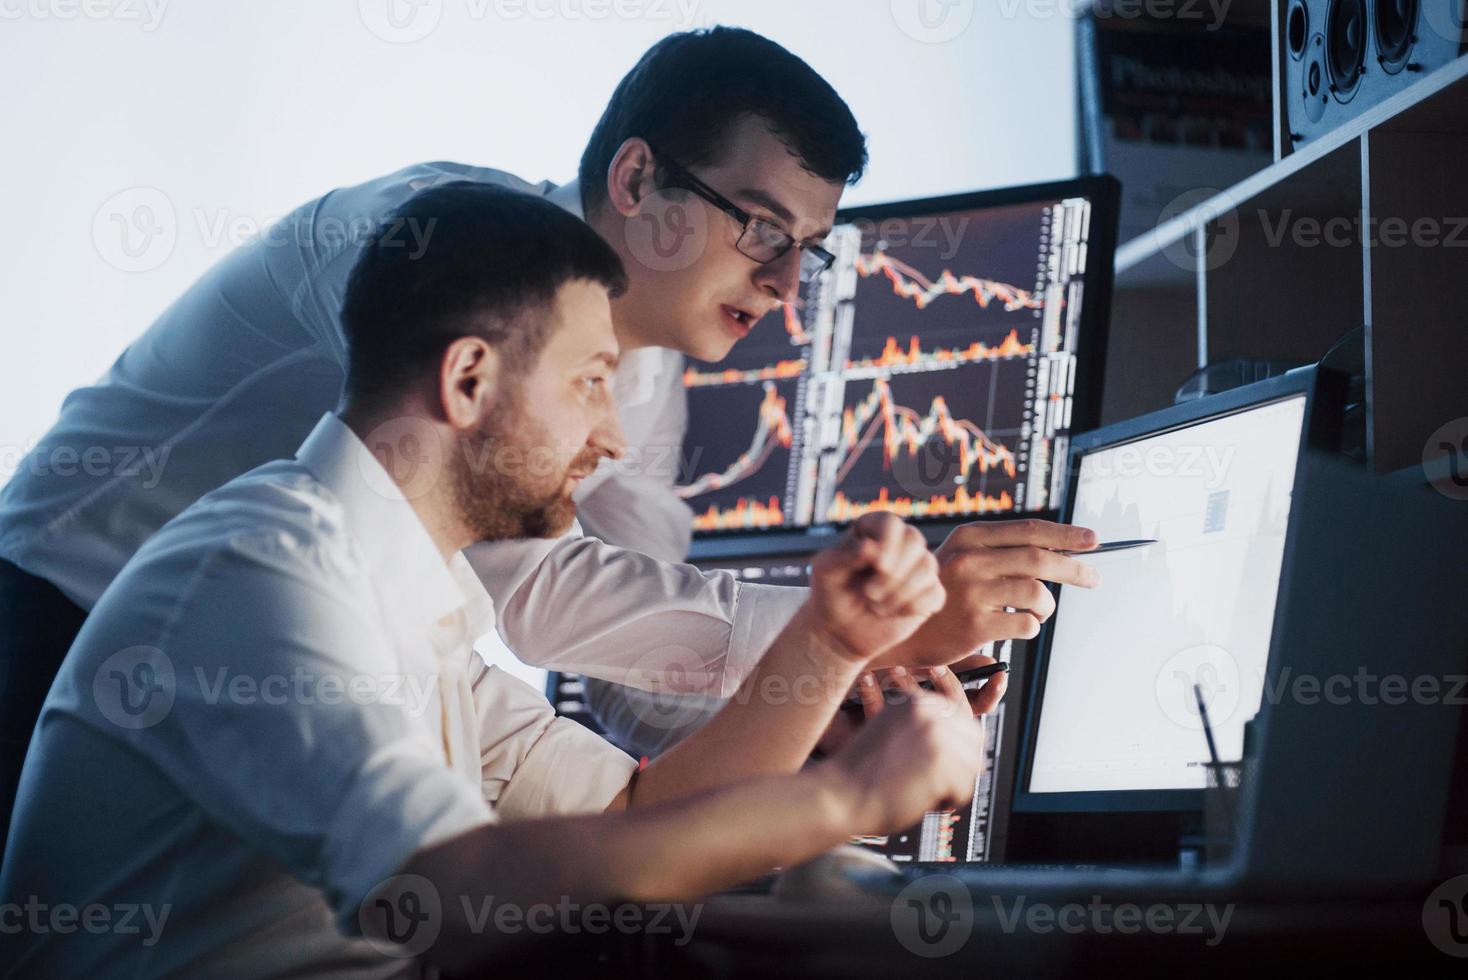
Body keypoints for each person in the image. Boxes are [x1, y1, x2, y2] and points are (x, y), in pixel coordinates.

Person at [0, 27, 1099, 842]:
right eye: (763, 228)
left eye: (805, 248)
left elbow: (622, 663)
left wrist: (817, 698)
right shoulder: (430, 253)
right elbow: (534, 596)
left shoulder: (642, 371)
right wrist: (873, 627)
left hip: (299, 668)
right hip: (61, 620)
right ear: (636, 180)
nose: (785, 290)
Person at [0, 183, 986, 976]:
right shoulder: (260, 573)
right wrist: (846, 801)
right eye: (590, 381)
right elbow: (450, 897)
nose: (609, 438)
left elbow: (641, 820)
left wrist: (829, 643)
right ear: (468, 380)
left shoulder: (424, 610)